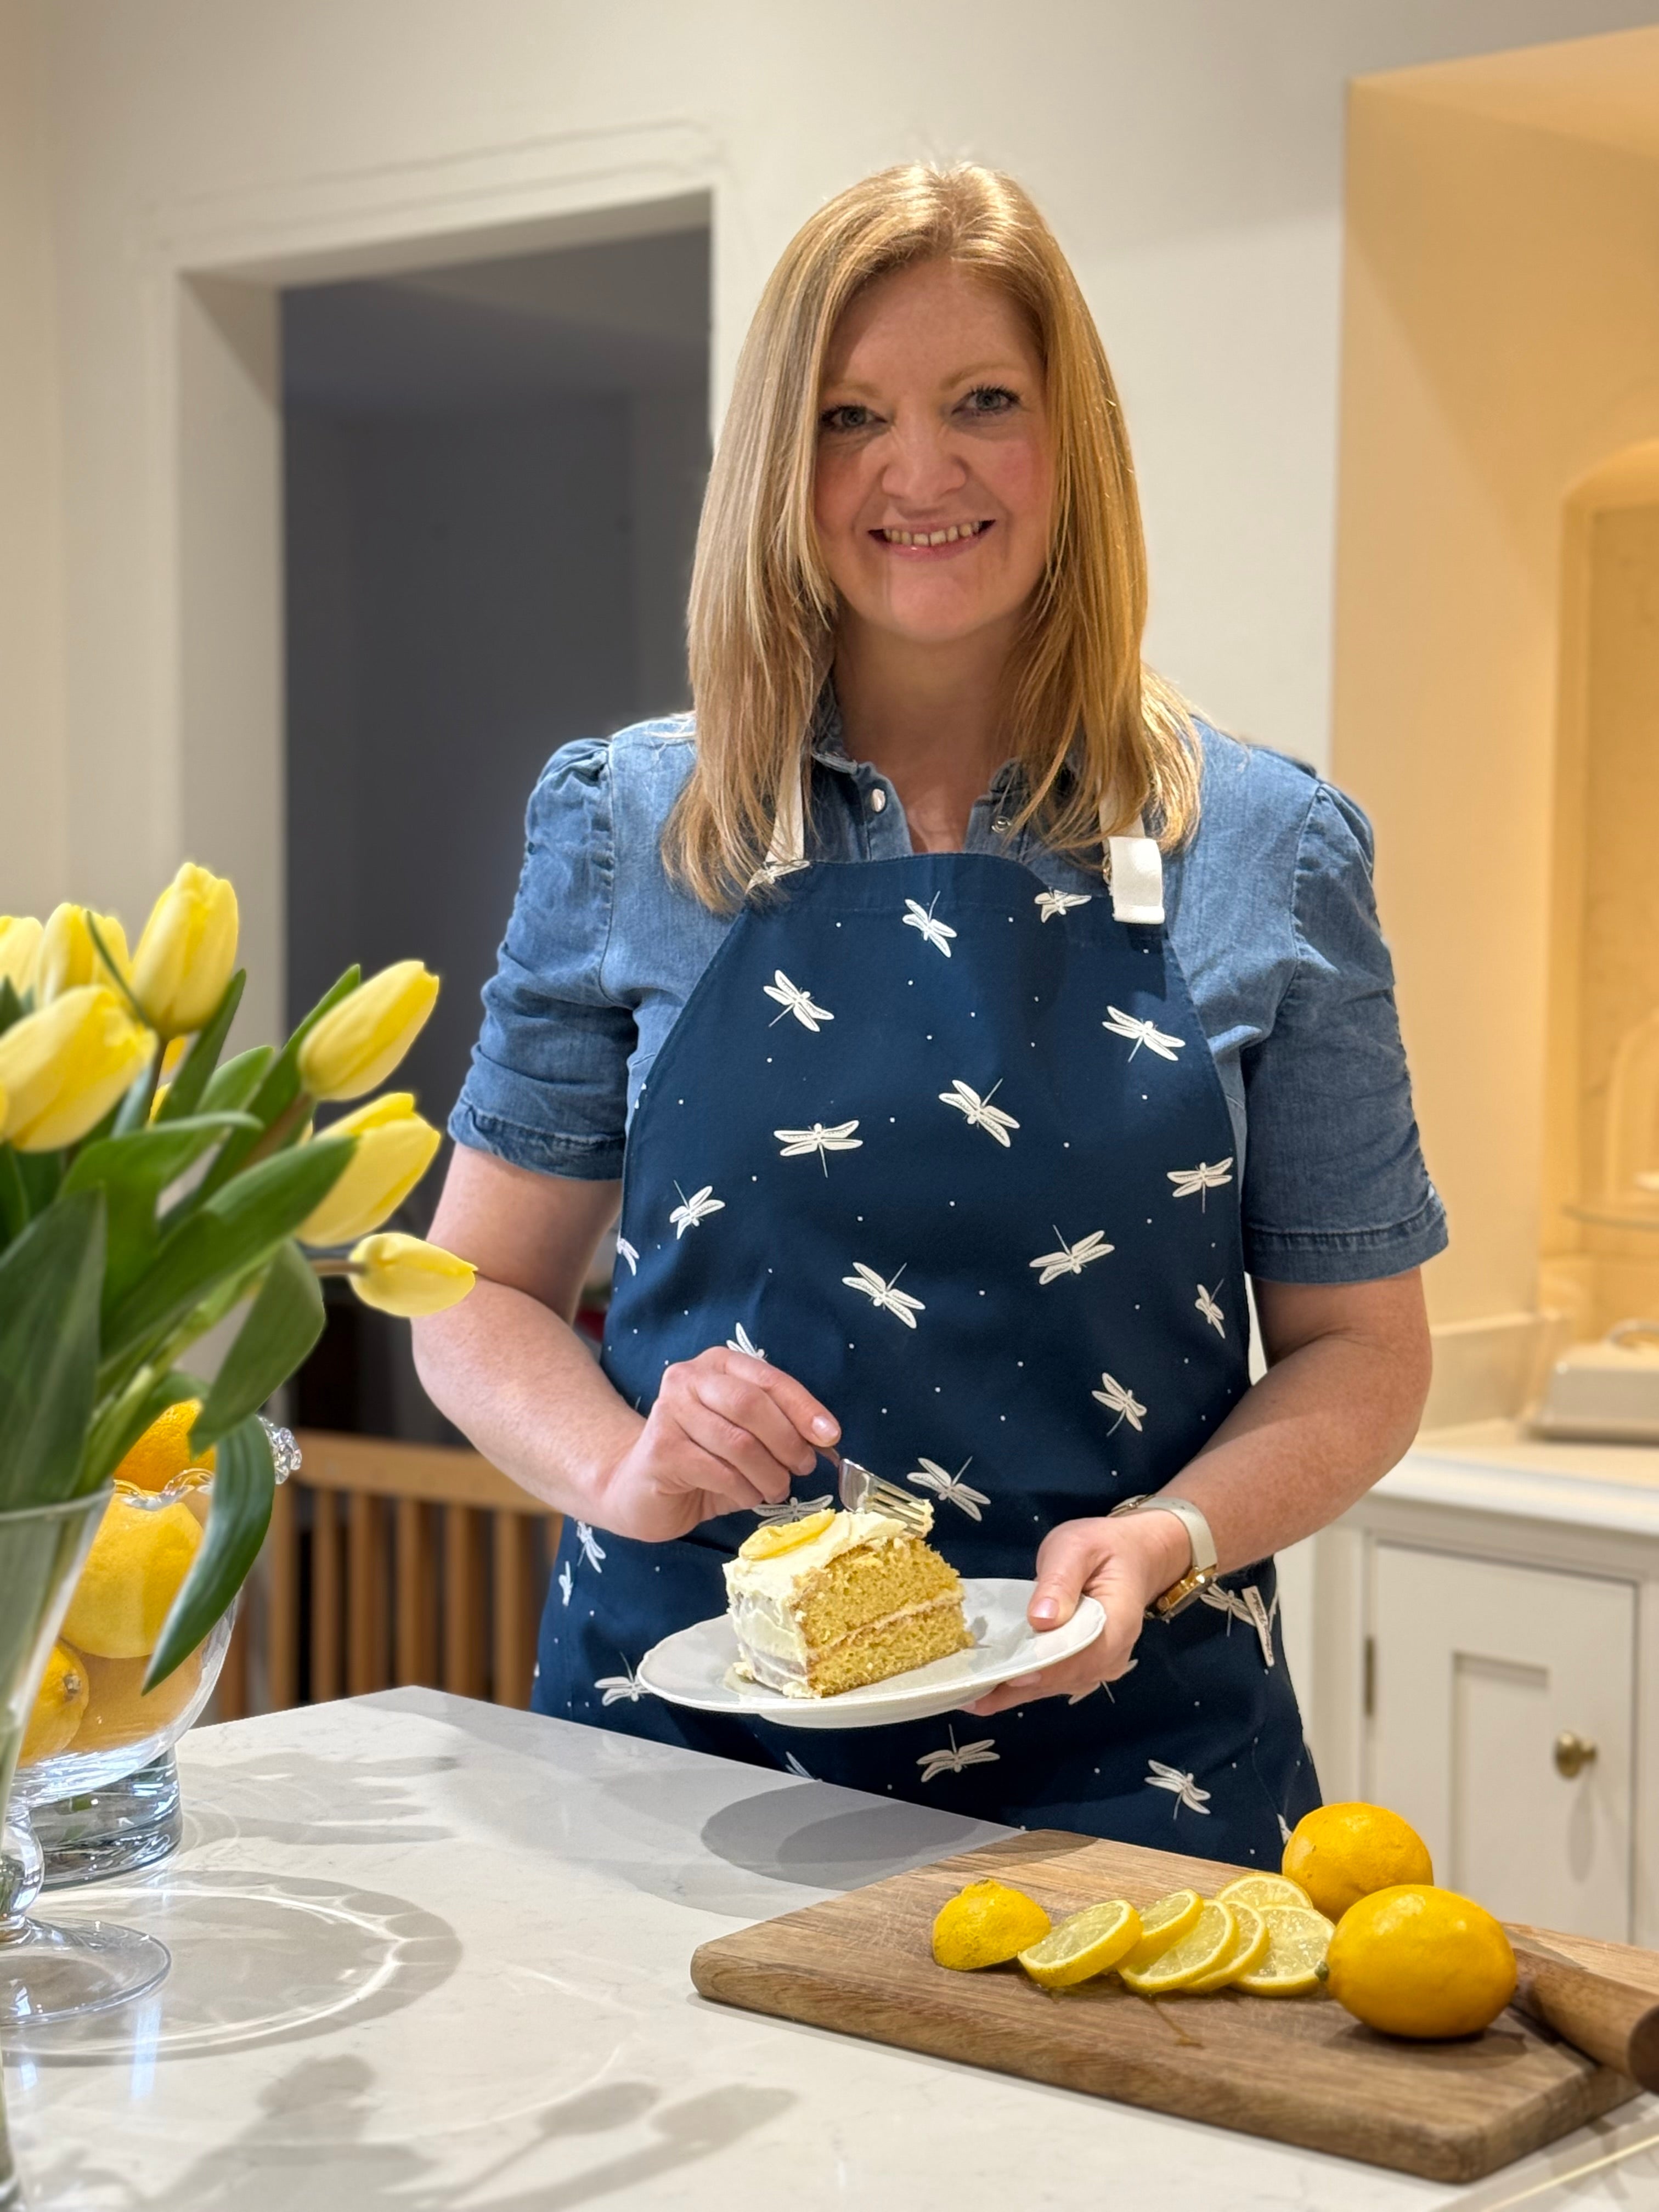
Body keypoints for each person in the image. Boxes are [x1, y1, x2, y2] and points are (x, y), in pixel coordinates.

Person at [413, 163, 1442, 1861]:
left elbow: (1362, 1352)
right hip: (686, 1770)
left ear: (1074, 446)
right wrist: (622, 1468)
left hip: (1130, 1773)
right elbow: (473, 1291)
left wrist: (1175, 1535)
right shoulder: (631, 825)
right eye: (849, 416)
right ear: (777, 464)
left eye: (985, 403)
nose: (919, 471)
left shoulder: (1267, 850)